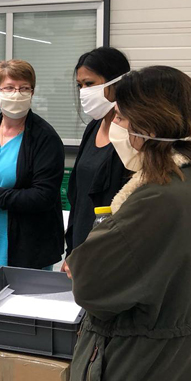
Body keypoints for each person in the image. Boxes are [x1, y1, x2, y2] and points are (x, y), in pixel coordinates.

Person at [66, 66, 191, 381]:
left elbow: (92, 287)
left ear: (146, 125)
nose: (115, 125)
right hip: (188, 362)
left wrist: (84, 261)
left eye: (120, 116)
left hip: (148, 367)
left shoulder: (157, 200)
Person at [0, 60, 65, 281]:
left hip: (25, 249)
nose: (17, 94)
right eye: (9, 88)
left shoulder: (45, 138)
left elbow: (44, 196)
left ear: (32, 93)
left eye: (24, 88)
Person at [64, 47, 131, 271]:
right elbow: (78, 197)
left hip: (111, 254)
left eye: (89, 84)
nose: (84, 92)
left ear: (117, 82)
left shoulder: (132, 136)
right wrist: (72, 251)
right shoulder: (93, 127)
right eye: (80, 85)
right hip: (81, 245)